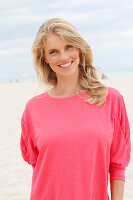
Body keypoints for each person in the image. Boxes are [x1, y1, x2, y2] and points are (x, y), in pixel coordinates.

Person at [20, 18, 131, 200]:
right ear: (45, 58)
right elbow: (38, 164)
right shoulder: (33, 109)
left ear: (80, 48)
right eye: (53, 51)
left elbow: (118, 165)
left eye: (69, 46)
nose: (64, 57)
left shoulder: (110, 99)